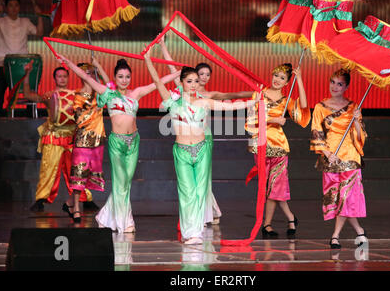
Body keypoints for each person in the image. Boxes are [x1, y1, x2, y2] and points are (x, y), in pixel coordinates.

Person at [144, 47, 259, 245]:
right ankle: (189, 231)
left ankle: (195, 233)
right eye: (189, 81)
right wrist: (147, 59)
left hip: (202, 149)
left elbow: (229, 106)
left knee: (199, 192)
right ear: (181, 83)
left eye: (196, 81)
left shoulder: (204, 102)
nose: (194, 84)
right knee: (187, 192)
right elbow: (156, 81)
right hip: (181, 152)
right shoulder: (172, 102)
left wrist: (252, 102)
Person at [57, 54, 181, 233]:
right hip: (117, 143)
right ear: (115, 78)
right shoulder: (107, 93)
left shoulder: (136, 93)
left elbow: (158, 82)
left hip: (134, 142)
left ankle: (107, 215)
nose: (124, 80)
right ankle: (126, 222)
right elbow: (85, 77)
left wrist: (178, 72)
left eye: (127, 77)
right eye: (120, 77)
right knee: (120, 181)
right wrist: (68, 63)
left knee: (126, 182)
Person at [245, 63, 310, 239]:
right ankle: (290, 218)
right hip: (261, 145)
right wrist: (274, 119)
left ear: (287, 82)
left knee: (275, 187)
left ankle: (267, 225)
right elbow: (251, 120)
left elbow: (303, 106)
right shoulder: (258, 93)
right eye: (276, 75)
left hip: (279, 147)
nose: (277, 80)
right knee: (268, 187)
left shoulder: (286, 100)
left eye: (282, 78)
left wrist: (300, 80)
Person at [22, 64, 94, 212]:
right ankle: (41, 199)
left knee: (78, 170)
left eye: (64, 76)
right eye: (59, 76)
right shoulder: (49, 96)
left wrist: (89, 74)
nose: (62, 78)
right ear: (55, 79)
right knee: (48, 169)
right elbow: (28, 95)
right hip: (53, 137)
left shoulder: (75, 95)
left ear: (68, 78)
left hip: (71, 137)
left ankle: (85, 199)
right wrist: (27, 74)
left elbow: (91, 93)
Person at [310, 69, 368, 249]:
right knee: (337, 199)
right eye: (333, 82)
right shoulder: (320, 107)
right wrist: (327, 154)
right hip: (330, 159)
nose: (335, 87)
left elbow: (361, 136)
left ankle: (335, 236)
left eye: (340, 84)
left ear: (346, 87)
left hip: (350, 157)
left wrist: (357, 120)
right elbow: (316, 133)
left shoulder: (353, 107)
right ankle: (360, 231)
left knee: (346, 196)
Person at [62, 59, 109, 223]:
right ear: (81, 76)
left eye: (91, 72)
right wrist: (93, 104)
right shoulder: (77, 96)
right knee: (78, 174)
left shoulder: (100, 93)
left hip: (97, 139)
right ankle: (75, 208)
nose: (89, 75)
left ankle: (69, 203)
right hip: (82, 140)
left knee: (89, 176)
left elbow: (111, 88)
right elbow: (80, 118)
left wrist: (100, 66)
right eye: (86, 73)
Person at [0, 0, 43, 117]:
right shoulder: (0, 21)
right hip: (4, 63)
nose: (14, 8)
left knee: (28, 90)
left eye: (16, 5)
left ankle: (31, 117)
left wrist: (39, 16)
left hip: (21, 65)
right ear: (6, 7)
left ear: (19, 7)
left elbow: (39, 33)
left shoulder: (25, 22)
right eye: (11, 5)